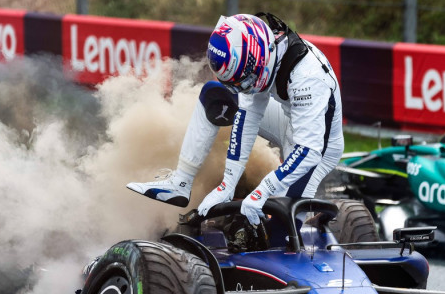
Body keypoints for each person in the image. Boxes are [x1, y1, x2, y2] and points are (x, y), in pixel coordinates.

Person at [126, 12, 344, 225]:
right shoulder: (263, 56)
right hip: (290, 120)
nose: (242, 88)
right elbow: (247, 119)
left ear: (261, 58)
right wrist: (226, 186)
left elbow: (309, 150)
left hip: (317, 146)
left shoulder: (308, 79)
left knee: (282, 233)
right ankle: (180, 182)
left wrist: (262, 192)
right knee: (214, 95)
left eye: (245, 81)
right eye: (235, 83)